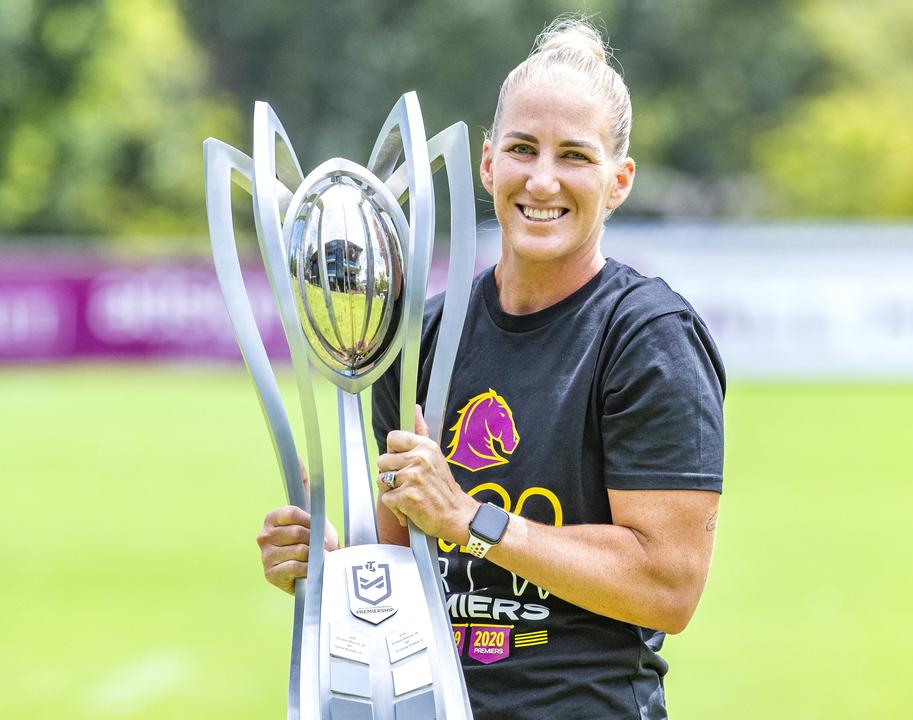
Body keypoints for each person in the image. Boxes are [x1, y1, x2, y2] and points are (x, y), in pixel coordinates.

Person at [256, 16, 725, 719]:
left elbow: (668, 586)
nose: (542, 179)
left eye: (574, 156)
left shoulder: (647, 337)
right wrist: (331, 568)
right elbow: (400, 550)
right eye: (522, 149)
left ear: (618, 180)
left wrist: (474, 519)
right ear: (486, 163)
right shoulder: (425, 337)